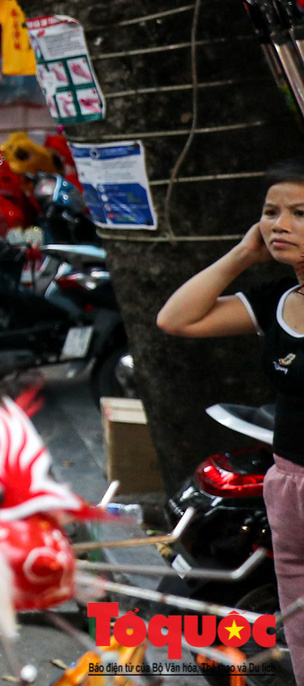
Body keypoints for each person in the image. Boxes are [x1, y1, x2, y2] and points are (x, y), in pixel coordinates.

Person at [158, 163, 304, 680]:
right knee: (298, 613)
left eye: (299, 213)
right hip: (287, 481)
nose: (279, 224)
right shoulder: (280, 299)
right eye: (270, 213)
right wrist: (244, 253)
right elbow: (177, 318)